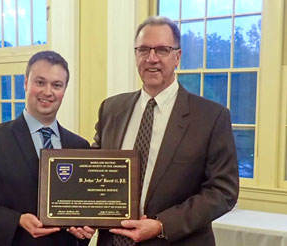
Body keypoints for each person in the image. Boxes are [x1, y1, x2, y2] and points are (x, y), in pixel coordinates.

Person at [93, 16, 239, 246]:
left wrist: (162, 225)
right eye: (143, 50)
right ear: (136, 55)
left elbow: (222, 192)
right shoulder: (111, 109)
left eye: (162, 50)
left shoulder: (211, 117)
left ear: (177, 57)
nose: (151, 58)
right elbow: (94, 169)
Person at [0, 51, 95, 246]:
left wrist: (87, 225)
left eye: (56, 85)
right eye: (40, 82)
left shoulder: (79, 146)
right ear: (26, 83)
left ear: (64, 90)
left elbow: (83, 207)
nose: (48, 92)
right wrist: (17, 220)